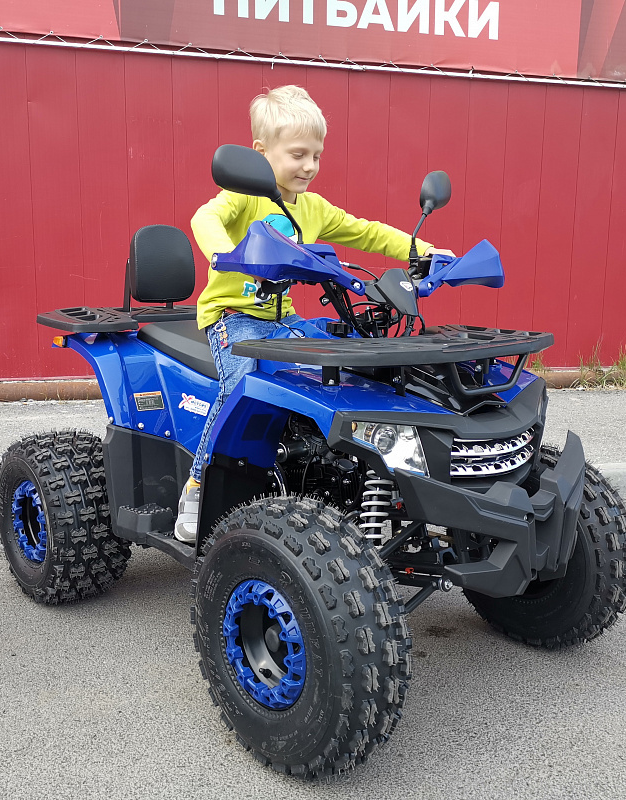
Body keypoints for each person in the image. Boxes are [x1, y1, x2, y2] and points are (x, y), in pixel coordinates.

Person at [175, 85, 453, 542]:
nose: (309, 166)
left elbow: (366, 232)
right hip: (232, 316)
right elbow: (204, 218)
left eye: (316, 156)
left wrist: (423, 250)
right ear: (260, 153)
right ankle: (199, 483)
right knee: (240, 382)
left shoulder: (313, 207)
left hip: (282, 318)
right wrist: (228, 255)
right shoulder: (243, 195)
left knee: (347, 363)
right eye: (298, 154)